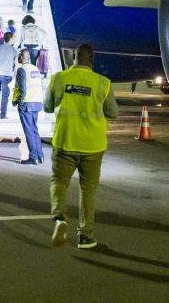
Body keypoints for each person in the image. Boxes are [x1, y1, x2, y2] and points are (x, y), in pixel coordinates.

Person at [44, 44, 119, 249]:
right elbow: (113, 112)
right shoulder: (102, 83)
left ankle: (59, 217)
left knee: (59, 181)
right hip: (93, 147)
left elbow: (47, 107)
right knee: (88, 190)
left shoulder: (59, 79)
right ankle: (85, 236)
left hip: (65, 142)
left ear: (73, 57)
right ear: (91, 59)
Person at [13, 49, 44, 165]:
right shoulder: (35, 69)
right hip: (36, 102)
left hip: (27, 103)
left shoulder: (22, 70)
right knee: (35, 130)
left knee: (29, 131)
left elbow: (22, 89)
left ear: (21, 57)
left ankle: (33, 157)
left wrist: (19, 104)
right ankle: (40, 156)